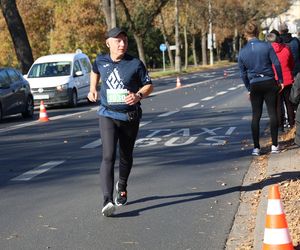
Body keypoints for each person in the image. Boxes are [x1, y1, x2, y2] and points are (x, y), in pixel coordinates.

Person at [88, 27, 153, 217]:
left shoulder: (135, 63)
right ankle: (107, 200)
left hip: (129, 117)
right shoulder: (101, 60)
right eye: (118, 41)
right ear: (108, 43)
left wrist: (139, 95)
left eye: (124, 40)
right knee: (108, 156)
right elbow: (94, 71)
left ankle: (122, 184)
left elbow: (149, 84)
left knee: (126, 155)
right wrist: (93, 88)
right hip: (107, 114)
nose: (122, 44)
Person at [238, 21, 283, 156]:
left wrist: (249, 88)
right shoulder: (267, 46)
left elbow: (243, 73)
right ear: (258, 32)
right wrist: (280, 80)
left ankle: (256, 147)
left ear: (245, 34)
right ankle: (274, 145)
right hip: (269, 82)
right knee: (272, 113)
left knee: (255, 116)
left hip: (255, 84)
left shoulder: (243, 52)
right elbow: (276, 63)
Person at [266, 30, 295, 131]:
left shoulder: (268, 52)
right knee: (289, 103)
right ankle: (292, 124)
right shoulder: (286, 49)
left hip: (275, 80)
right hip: (288, 79)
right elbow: (292, 63)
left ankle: (280, 126)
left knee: (278, 104)